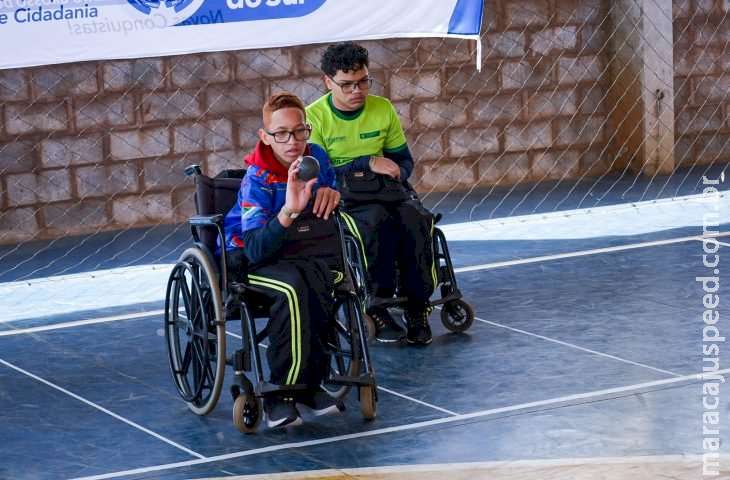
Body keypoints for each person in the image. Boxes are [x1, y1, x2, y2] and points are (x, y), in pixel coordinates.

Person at [222, 92, 344, 428]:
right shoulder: (256, 181)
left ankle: (310, 383)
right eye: (281, 134)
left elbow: (329, 196)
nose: (293, 141)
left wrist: (332, 194)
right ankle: (281, 391)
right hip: (248, 258)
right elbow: (256, 248)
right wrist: (289, 210)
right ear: (265, 136)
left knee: (320, 279)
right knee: (292, 289)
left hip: (298, 250)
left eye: (299, 131)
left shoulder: (315, 158)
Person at [306, 41, 436, 346]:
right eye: (347, 84)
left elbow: (404, 161)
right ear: (328, 82)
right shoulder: (314, 117)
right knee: (375, 222)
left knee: (415, 219)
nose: (357, 91)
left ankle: (417, 307)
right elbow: (321, 175)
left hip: (388, 191)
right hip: (345, 197)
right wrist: (366, 162)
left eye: (363, 81)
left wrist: (396, 173)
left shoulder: (382, 108)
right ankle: (376, 304)